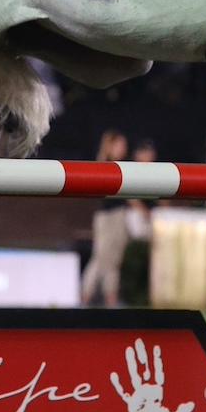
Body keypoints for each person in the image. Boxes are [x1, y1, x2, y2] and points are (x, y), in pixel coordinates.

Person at [80, 129, 130, 307]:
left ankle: (110, 299)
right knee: (101, 259)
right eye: (120, 144)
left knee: (112, 261)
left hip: (118, 216)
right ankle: (88, 298)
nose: (124, 148)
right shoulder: (105, 165)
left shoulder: (122, 165)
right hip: (107, 217)